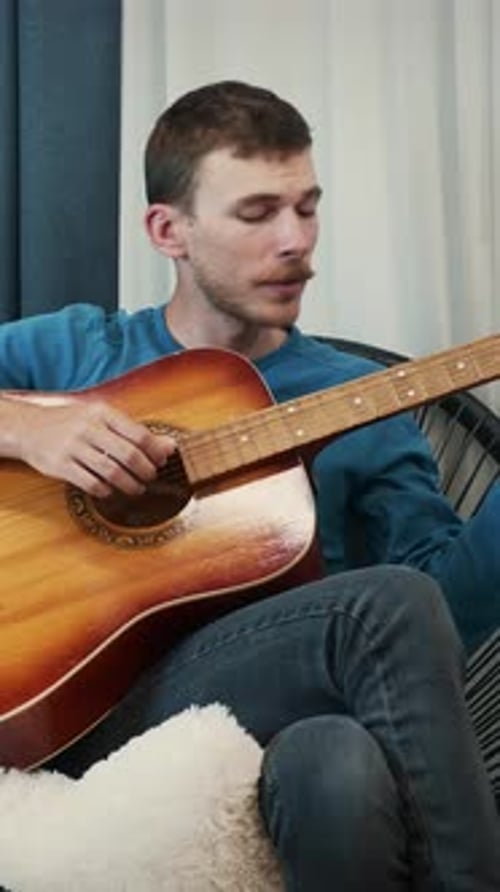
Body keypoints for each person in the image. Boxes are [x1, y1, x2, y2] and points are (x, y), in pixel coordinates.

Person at [0, 80, 499, 890]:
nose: (296, 240)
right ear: (170, 230)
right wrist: (28, 427)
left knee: (337, 758)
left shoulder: (360, 401)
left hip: (271, 714)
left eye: (308, 207)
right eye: (258, 212)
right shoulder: (74, 355)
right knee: (376, 610)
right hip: (68, 706)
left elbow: (440, 616)